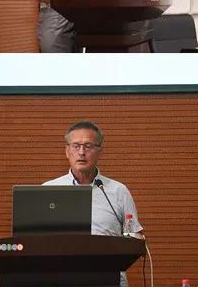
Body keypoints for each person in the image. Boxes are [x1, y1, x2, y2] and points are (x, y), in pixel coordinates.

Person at [44, 121, 142, 287]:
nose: (81, 152)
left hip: (110, 279)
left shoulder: (118, 191)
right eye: (76, 146)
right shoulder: (48, 190)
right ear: (67, 151)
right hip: (61, 278)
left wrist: (135, 239)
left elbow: (134, 237)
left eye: (88, 146)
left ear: (99, 151)